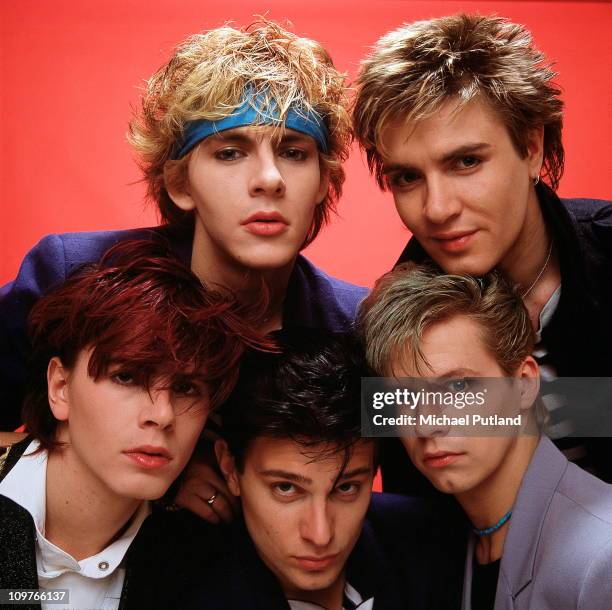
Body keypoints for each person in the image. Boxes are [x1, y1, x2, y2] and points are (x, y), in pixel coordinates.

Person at [0, 19, 366, 430]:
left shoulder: (365, 325)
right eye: (230, 152)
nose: (270, 178)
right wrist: (84, 463)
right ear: (179, 183)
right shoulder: (73, 274)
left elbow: (445, 455)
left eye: (293, 153)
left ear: (323, 179)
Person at [352, 13, 612, 485]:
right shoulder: (392, 327)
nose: (437, 208)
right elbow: (419, 516)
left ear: (531, 147)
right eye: (407, 177)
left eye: (466, 162)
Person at [0, 240, 268, 610]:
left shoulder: (206, 564)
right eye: (127, 377)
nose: (162, 415)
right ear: (61, 387)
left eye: (187, 388)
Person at [358, 263, 612, 610]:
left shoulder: (602, 554)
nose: (427, 423)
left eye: (458, 386)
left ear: (524, 383)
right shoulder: (459, 544)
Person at [174, 329, 464, 610]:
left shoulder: (434, 545)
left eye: (346, 487)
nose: (320, 535)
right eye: (286, 488)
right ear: (229, 468)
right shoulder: (178, 589)